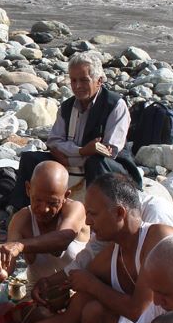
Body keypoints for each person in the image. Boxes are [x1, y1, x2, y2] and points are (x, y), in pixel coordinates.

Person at [0, 174, 173, 323]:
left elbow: (138, 311)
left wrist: (92, 286)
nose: (88, 222)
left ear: (119, 213)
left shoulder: (157, 234)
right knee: (91, 311)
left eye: (93, 214)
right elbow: (69, 317)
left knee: (97, 313)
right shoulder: (110, 249)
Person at [8, 52, 140, 212]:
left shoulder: (115, 105)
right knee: (30, 159)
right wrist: (81, 151)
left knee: (96, 162)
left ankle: (96, 216)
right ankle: (21, 211)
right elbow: (54, 142)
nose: (77, 86)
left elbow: (109, 151)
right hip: (72, 159)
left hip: (110, 166)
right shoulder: (67, 107)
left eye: (84, 80)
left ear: (99, 81)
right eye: (73, 80)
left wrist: (70, 156)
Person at [0, 160, 89, 286]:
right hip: (38, 293)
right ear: (28, 189)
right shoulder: (21, 219)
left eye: (52, 203)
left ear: (66, 195)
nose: (44, 209)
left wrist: (19, 245)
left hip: (79, 290)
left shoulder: (75, 209)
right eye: (38, 200)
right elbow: (8, 263)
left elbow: (62, 239)